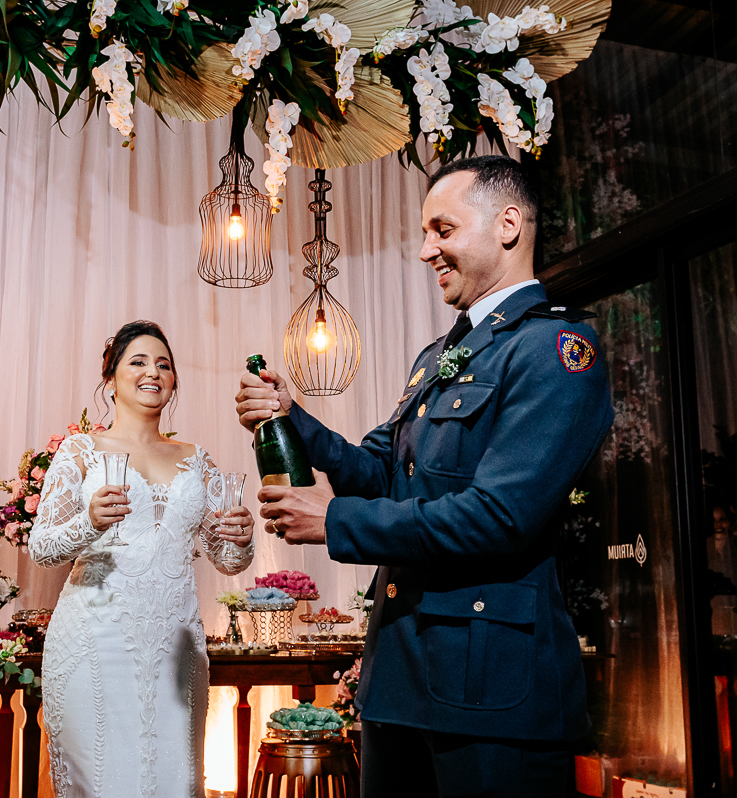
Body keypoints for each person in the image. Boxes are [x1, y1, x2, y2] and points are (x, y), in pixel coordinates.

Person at [235, 155, 615, 797]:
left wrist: (334, 521)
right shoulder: (440, 357)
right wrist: (297, 420)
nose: (424, 250)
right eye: (424, 232)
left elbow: (499, 517)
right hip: (401, 680)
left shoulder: (555, 351)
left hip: (491, 693)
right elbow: (383, 470)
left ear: (508, 225)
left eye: (443, 229)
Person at [31, 320, 255, 798]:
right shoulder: (80, 451)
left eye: (164, 365)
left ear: (173, 382)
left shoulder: (198, 460)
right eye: (138, 361)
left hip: (176, 645)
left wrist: (242, 537)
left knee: (174, 780)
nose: (152, 372)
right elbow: (43, 546)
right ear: (110, 379)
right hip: (96, 639)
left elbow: (228, 559)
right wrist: (89, 521)